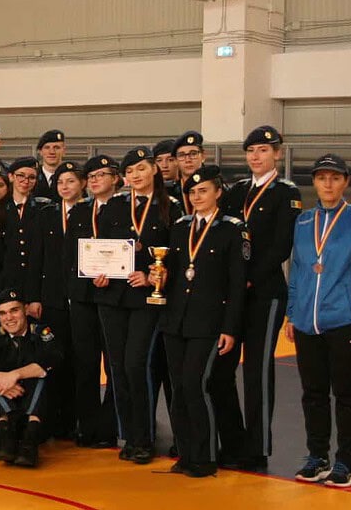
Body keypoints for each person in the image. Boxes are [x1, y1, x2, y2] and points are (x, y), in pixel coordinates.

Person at [286, 153, 351, 489]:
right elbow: (297, 270)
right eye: (322, 177)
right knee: (313, 393)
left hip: (346, 321)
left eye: (335, 178)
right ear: (314, 182)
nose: (328, 184)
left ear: (345, 183)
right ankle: (318, 456)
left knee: (346, 394)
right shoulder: (303, 222)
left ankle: (346, 462)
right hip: (306, 322)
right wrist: (292, 312)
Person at [218, 125, 302, 472]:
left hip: (265, 294)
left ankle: (257, 448)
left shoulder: (286, 193)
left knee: (256, 372)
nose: (256, 156)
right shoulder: (237, 191)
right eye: (251, 151)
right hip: (233, 294)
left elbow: (281, 245)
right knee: (222, 369)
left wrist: (247, 278)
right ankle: (232, 441)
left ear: (277, 154)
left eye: (263, 150)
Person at [156, 165, 247, 478]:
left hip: (209, 322)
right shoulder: (181, 227)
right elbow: (174, 271)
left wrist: (230, 328)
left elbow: (237, 285)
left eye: (203, 190)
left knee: (196, 385)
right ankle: (185, 454)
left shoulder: (232, 229)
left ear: (218, 192)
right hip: (176, 320)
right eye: (192, 192)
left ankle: (206, 456)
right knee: (179, 389)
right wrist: (159, 276)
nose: (197, 196)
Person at [97, 148, 179, 464]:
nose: (136, 175)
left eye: (141, 169)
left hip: (146, 299)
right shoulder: (115, 205)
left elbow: (177, 254)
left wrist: (153, 275)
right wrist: (99, 273)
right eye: (130, 171)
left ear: (154, 170)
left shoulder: (170, 207)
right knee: (117, 369)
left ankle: (145, 437)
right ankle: (128, 436)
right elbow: (102, 248)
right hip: (113, 298)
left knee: (137, 365)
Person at [63, 155, 120, 449]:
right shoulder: (81, 210)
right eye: (92, 176)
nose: (96, 180)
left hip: (114, 296)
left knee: (112, 364)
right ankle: (86, 425)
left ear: (115, 178)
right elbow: (69, 252)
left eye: (102, 175)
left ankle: (109, 427)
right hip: (83, 295)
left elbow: (126, 251)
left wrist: (112, 275)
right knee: (85, 362)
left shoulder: (125, 208)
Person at [0, 288, 62, 467]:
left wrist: (14, 375)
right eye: (3, 313)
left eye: (14, 310)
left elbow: (53, 358)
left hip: (39, 416)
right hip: (7, 409)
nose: (9, 318)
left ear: (26, 309)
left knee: (40, 375)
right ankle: (5, 436)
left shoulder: (41, 332)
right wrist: (2, 382)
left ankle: (30, 441)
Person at [33, 161, 83, 439]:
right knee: (54, 357)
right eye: (60, 182)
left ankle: (77, 420)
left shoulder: (90, 212)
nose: (65, 186)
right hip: (52, 298)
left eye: (71, 181)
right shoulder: (47, 214)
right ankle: (52, 419)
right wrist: (34, 297)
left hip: (82, 298)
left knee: (80, 360)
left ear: (82, 184)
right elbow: (37, 258)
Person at [0, 157, 46, 303]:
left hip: (34, 282)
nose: (26, 181)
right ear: (11, 177)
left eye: (31, 177)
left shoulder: (42, 209)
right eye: (21, 176)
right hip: (6, 281)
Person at [172, 131, 207, 212]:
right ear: (175, 161)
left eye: (193, 154)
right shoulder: (168, 192)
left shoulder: (216, 190)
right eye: (181, 155)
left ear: (203, 156)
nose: (188, 160)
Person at [33, 129, 67, 201]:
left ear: (64, 151)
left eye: (56, 147)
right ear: (40, 152)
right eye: (47, 147)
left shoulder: (73, 177)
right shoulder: (32, 176)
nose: (51, 152)